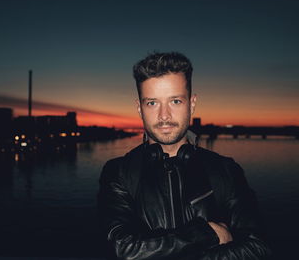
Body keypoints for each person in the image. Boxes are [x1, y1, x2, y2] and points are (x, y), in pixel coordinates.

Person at [97, 52, 271, 260]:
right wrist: (207, 234)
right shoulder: (119, 172)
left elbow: (258, 248)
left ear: (192, 103)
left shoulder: (226, 170)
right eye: (152, 103)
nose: (164, 116)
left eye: (175, 101)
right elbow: (120, 250)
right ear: (139, 108)